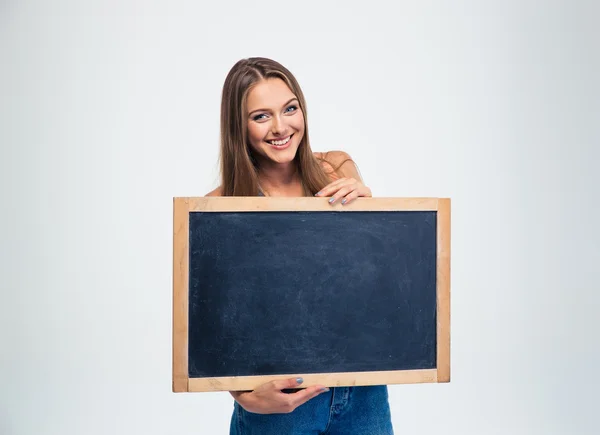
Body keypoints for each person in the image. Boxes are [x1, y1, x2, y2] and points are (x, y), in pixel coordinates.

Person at [205, 57, 394, 435]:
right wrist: (242, 395)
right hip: (282, 405)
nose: (281, 127)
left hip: (363, 394)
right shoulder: (218, 206)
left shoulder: (336, 169)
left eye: (290, 109)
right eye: (261, 116)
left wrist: (368, 205)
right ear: (238, 127)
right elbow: (211, 321)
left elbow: (370, 273)